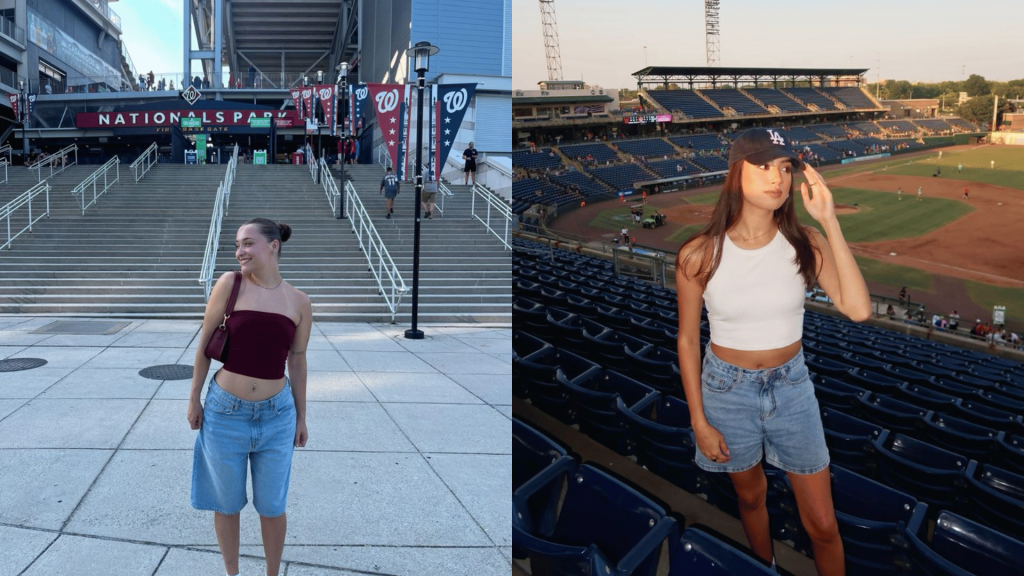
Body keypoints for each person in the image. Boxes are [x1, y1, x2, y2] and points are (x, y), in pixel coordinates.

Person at [675, 128, 869, 575]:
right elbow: (687, 339)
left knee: (823, 524)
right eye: (762, 166)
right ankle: (765, 566)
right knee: (751, 497)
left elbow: (858, 310)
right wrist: (699, 420)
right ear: (735, 174)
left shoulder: (806, 243)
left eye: (784, 168)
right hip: (726, 392)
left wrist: (830, 221)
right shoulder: (699, 254)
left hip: (792, 389)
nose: (777, 178)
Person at [188, 218, 312, 576]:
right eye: (237, 245)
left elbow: (297, 360)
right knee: (226, 504)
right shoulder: (231, 284)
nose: (239, 251)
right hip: (225, 413)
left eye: (247, 243)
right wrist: (194, 397)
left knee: (272, 506)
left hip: (278, 417)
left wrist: (302, 416)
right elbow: (204, 344)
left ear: (273, 246)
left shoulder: (299, 301)